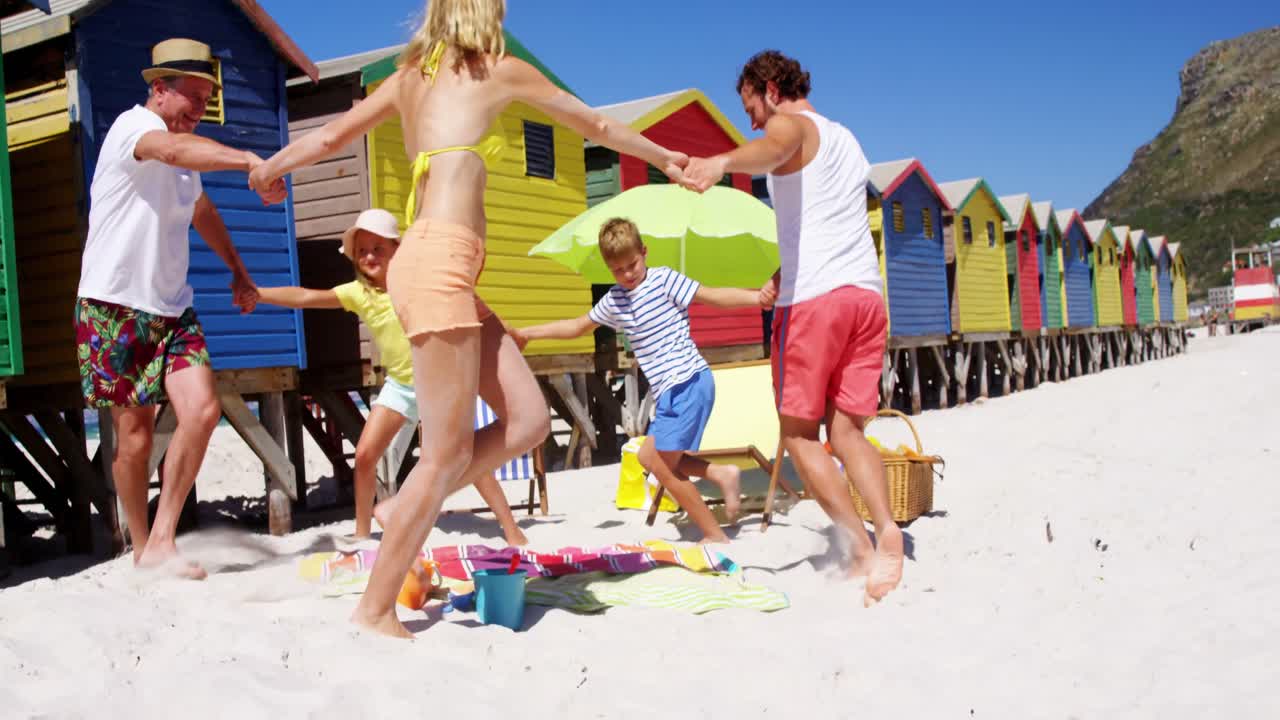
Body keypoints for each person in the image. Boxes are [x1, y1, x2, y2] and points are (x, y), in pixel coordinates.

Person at [248, 0, 689, 638]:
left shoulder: (407, 79)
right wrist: (666, 159)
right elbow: (593, 122)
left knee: (528, 419)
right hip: (437, 266)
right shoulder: (494, 70)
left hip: (441, 267)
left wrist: (271, 167)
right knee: (447, 451)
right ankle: (375, 607)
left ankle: (408, 501)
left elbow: (327, 138)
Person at [681, 50, 904, 604]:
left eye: (751, 106)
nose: (753, 120)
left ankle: (860, 548)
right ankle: (888, 529)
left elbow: (775, 145)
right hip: (864, 296)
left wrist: (721, 162)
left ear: (772, 89)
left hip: (816, 305)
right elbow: (828, 217)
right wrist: (787, 266)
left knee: (800, 436)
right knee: (847, 433)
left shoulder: (790, 126)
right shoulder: (846, 139)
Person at [75, 38, 286, 579]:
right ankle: (141, 545)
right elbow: (170, 152)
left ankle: (164, 538)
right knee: (135, 438)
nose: (199, 108)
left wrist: (238, 270)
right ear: (160, 90)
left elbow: (203, 212)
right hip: (116, 304)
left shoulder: (185, 158)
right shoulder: (134, 129)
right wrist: (249, 160)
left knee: (203, 410)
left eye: (207, 100)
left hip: (173, 309)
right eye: (193, 96)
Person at [255, 208, 527, 545]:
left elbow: (469, 302)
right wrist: (260, 294)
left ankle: (510, 528)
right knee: (365, 455)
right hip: (400, 386)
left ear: (397, 250)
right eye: (362, 251)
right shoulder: (360, 293)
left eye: (378, 248)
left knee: (464, 459)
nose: (369, 256)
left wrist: (506, 333)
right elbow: (308, 297)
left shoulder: (417, 283)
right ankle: (362, 533)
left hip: (437, 385)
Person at [512, 218, 760, 543]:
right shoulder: (615, 300)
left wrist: (757, 299)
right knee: (646, 457)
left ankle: (714, 534)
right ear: (608, 268)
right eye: (618, 270)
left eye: (632, 264)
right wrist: (528, 333)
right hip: (669, 392)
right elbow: (577, 326)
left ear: (644, 252)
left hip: (688, 381)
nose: (628, 274)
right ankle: (721, 473)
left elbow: (711, 296)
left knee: (662, 466)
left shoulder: (664, 279)